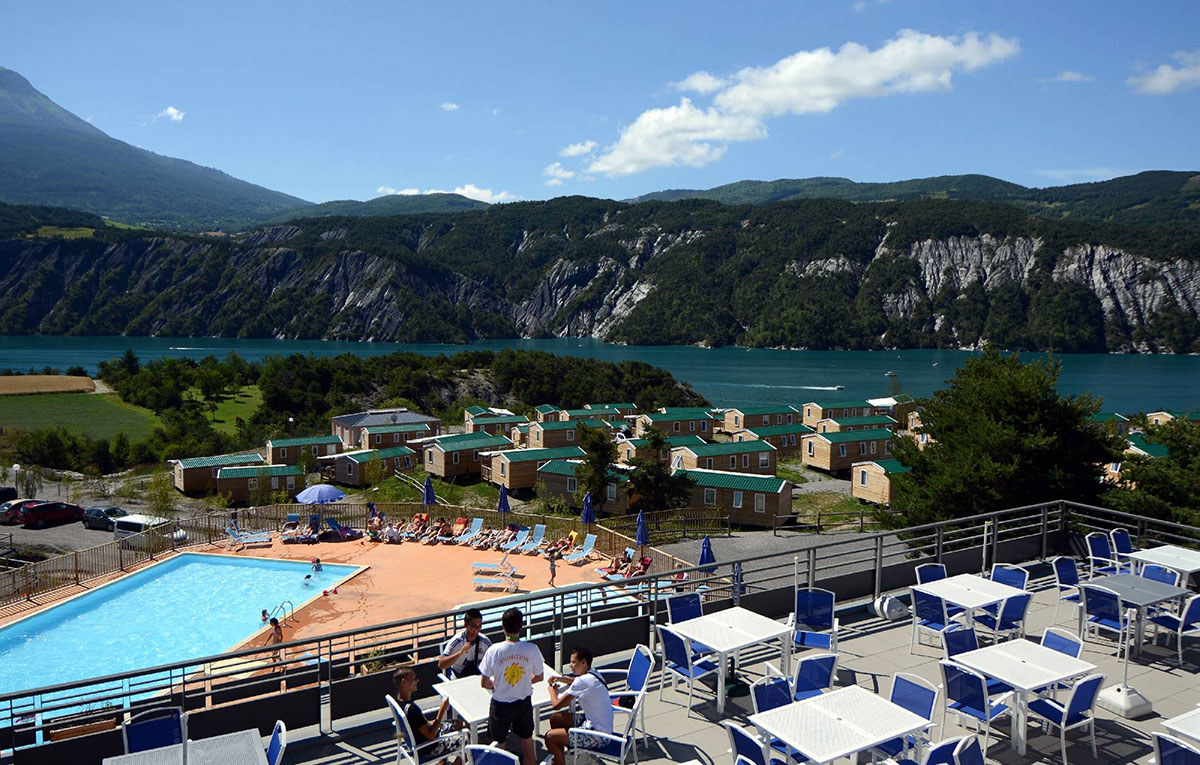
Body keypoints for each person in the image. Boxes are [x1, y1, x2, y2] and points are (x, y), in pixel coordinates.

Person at [479, 608, 544, 765]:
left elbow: (484, 682)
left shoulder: (494, 650)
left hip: (500, 706)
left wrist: (495, 685)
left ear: (503, 626)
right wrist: (525, 682)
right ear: (521, 626)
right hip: (523, 704)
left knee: (500, 748)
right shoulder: (532, 649)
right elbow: (539, 677)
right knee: (528, 745)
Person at [544, 647, 614, 765]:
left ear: (584, 662)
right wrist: (561, 679)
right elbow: (576, 680)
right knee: (555, 719)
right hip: (601, 728)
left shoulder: (582, 682)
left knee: (550, 737)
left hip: (597, 737)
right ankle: (563, 756)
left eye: (573, 662)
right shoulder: (594, 673)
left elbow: (556, 704)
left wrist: (552, 690)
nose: (570, 665)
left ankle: (560, 760)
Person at [392, 666, 460, 764]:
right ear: (404, 682)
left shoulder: (398, 698)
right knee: (468, 741)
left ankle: (442, 762)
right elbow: (431, 735)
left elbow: (420, 724)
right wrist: (442, 710)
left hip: (419, 738)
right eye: (413, 678)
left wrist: (431, 722)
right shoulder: (412, 710)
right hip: (426, 748)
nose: (417, 680)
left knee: (458, 724)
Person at [438, 607, 492, 678]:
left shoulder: (485, 642)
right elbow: (441, 664)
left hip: (478, 677)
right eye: (473, 626)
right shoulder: (457, 641)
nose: (476, 629)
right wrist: (461, 652)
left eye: (479, 626)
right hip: (458, 678)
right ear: (466, 625)